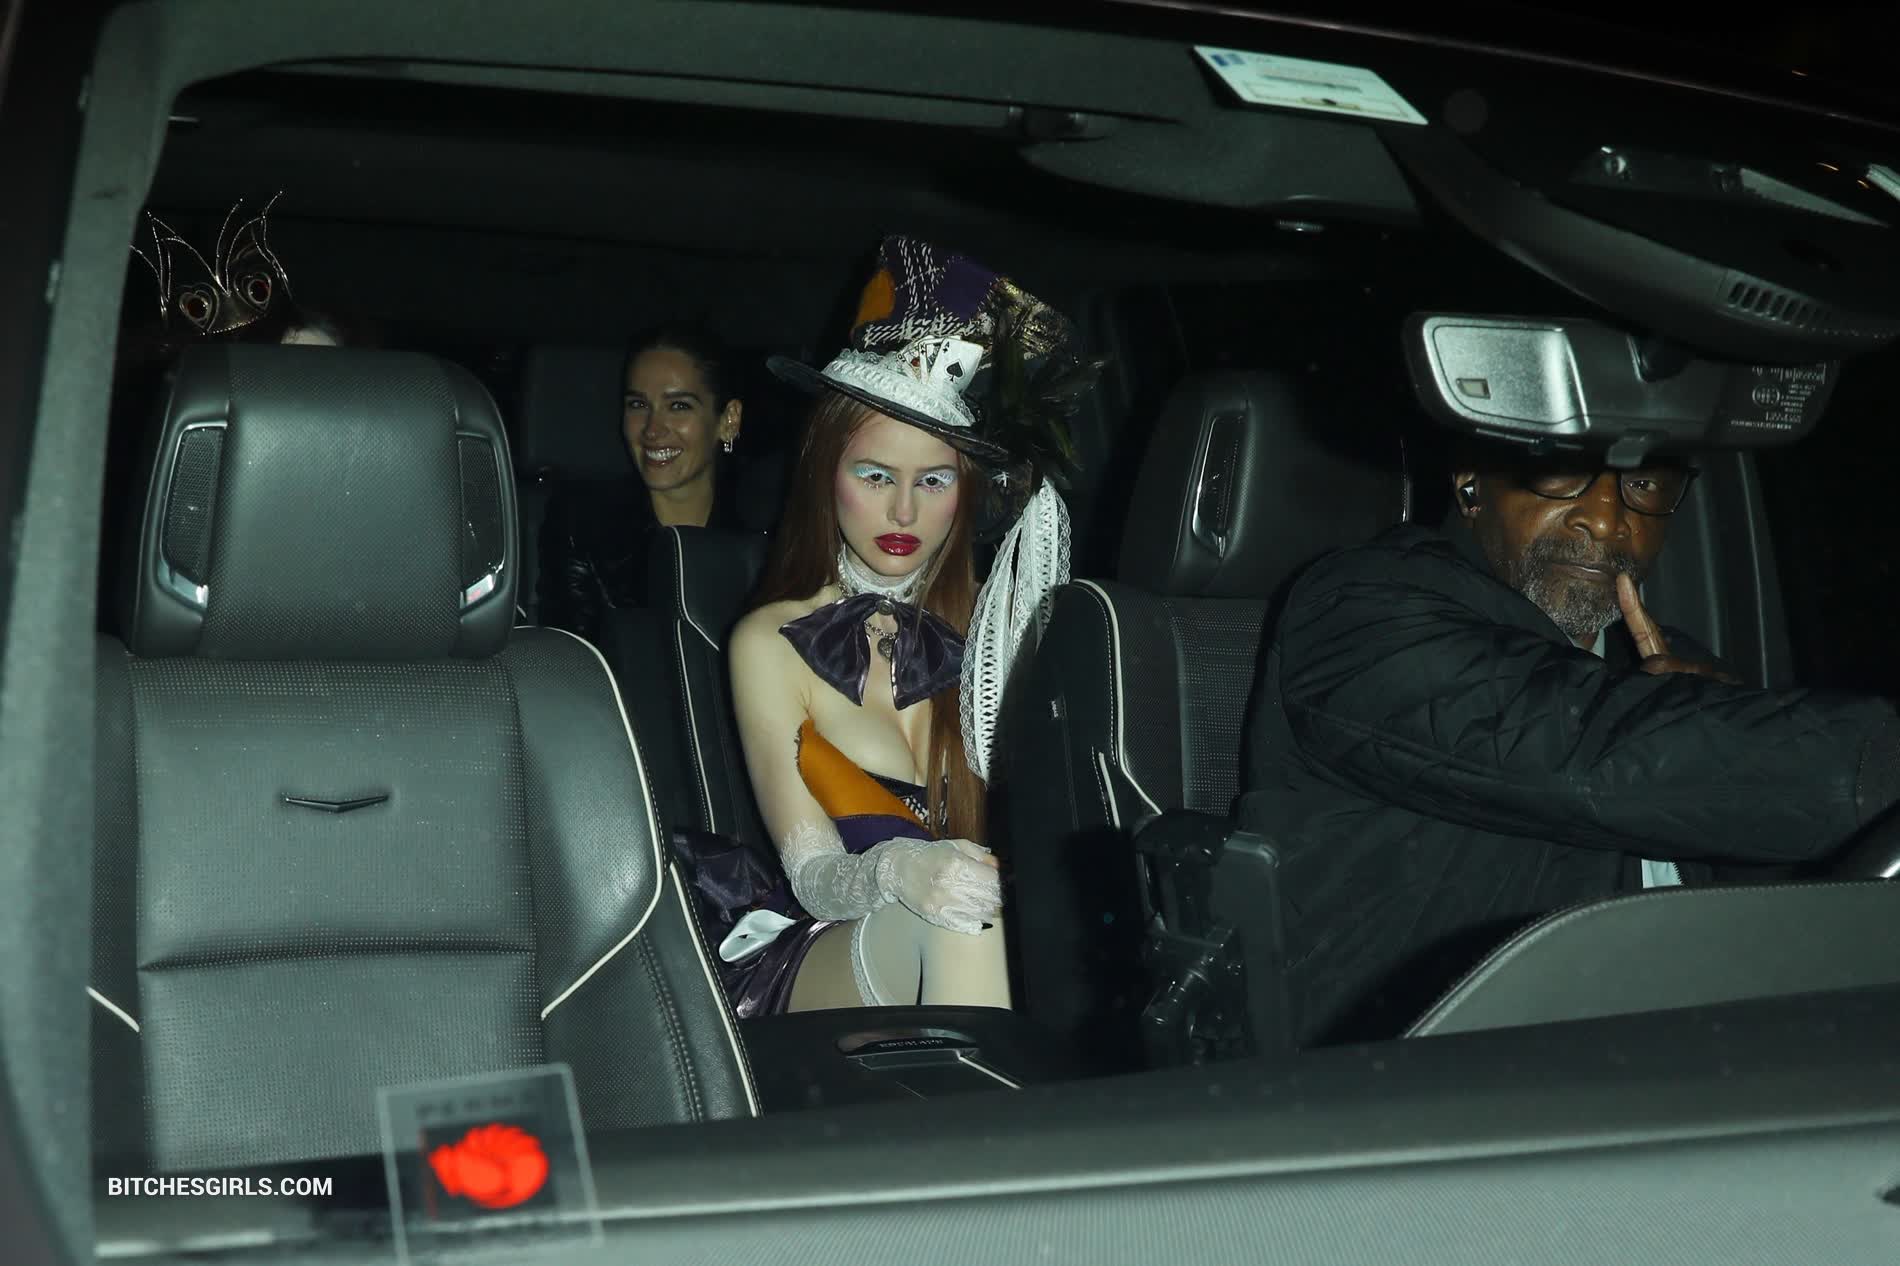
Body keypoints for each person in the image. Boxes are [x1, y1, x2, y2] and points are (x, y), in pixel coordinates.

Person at [1241, 443, 1900, 1047]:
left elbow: (1783, 911)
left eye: (1644, 483)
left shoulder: (1672, 672)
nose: (1608, 520)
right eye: (1563, 471)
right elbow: (1585, 753)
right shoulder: (1359, 610)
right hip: (1419, 1097)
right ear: (1471, 484)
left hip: (1677, 1074)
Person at [710, 235, 1097, 1016]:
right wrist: (898, 870)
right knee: (961, 921)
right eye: (875, 475)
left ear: (967, 491)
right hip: (831, 941)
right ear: (825, 476)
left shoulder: (1006, 630)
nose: (903, 511)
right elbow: (814, 876)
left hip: (985, 937)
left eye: (934, 481)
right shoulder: (770, 643)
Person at [538, 324, 746, 641]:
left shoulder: (766, 532)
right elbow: (572, 654)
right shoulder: (582, 526)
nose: (652, 429)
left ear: (728, 420)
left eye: (678, 406)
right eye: (638, 405)